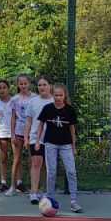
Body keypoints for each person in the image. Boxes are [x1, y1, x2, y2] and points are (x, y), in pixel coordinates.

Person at [37, 83, 81, 212]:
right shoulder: (47, 108)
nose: (58, 98)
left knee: (71, 171)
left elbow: (72, 129)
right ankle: (49, 199)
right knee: (52, 172)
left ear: (64, 96)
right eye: (56, 95)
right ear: (52, 95)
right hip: (50, 143)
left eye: (60, 95)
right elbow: (40, 125)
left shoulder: (70, 110)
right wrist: (38, 141)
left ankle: (73, 201)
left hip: (66, 145)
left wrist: (73, 146)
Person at [24, 75, 54, 202]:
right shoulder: (33, 102)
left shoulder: (55, 101)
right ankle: (34, 192)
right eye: (40, 85)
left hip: (52, 138)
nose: (42, 87)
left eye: (44, 84)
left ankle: (44, 191)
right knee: (36, 163)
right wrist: (26, 138)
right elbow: (28, 121)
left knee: (48, 166)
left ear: (50, 86)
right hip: (35, 138)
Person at [7, 74, 34, 195]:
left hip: (31, 133)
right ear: (18, 85)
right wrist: (12, 134)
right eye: (21, 84)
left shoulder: (35, 98)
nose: (23, 86)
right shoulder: (14, 99)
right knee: (17, 159)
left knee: (31, 160)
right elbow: (13, 118)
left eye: (25, 83)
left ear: (29, 84)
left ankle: (33, 188)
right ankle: (13, 187)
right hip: (18, 132)